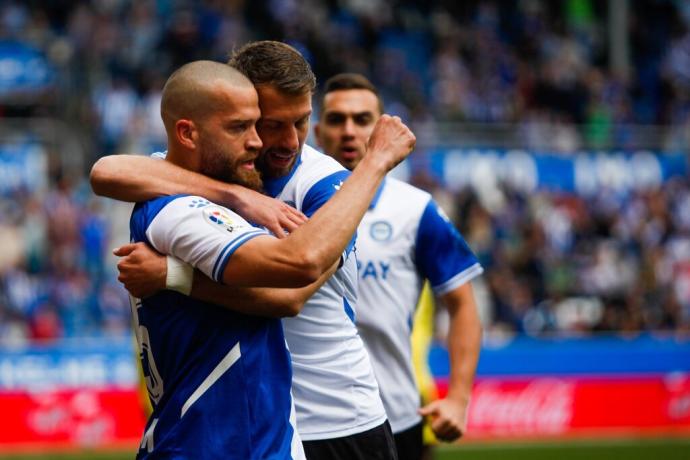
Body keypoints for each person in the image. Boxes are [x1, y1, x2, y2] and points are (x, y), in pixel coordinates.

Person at [90, 42, 400, 459]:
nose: (288, 141)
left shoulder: (323, 184)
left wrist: (174, 276)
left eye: (302, 122)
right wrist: (238, 197)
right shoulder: (221, 169)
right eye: (269, 124)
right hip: (263, 421)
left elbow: (288, 295)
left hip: (336, 419)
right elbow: (105, 171)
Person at [313, 73, 483, 460]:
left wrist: (458, 398)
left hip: (396, 416)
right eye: (337, 120)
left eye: (362, 119)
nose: (349, 131)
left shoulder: (414, 210)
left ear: (381, 129)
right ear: (318, 132)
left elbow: (463, 305)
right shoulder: (284, 206)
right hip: (305, 419)